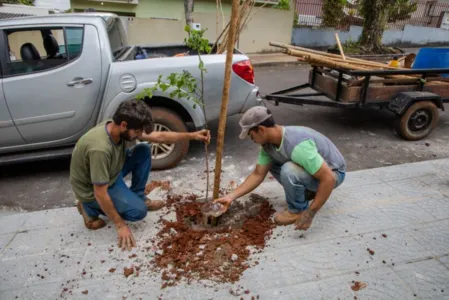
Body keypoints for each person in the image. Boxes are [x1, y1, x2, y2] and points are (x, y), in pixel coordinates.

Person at [70, 99, 210, 250]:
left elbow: (159, 137)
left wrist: (193, 135)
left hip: (110, 171)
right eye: (137, 132)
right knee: (138, 212)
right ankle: (88, 209)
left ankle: (138, 196)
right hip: (93, 188)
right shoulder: (100, 149)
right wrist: (120, 225)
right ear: (124, 125)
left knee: (143, 149)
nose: (138, 134)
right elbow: (100, 192)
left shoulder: (116, 125)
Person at [215, 106, 346, 231]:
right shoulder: (269, 145)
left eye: (251, 135)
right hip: (318, 171)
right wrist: (230, 197)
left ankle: (297, 210)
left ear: (261, 129)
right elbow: (258, 174)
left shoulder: (297, 146)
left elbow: (328, 179)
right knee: (273, 163)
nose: (251, 139)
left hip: (334, 173)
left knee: (288, 170)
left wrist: (310, 213)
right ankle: (307, 191)